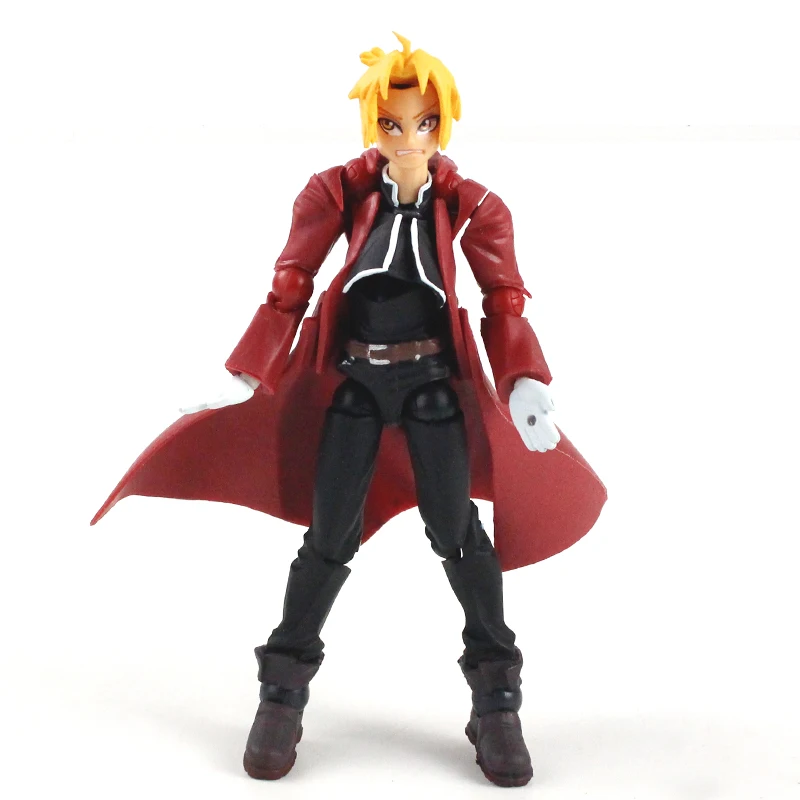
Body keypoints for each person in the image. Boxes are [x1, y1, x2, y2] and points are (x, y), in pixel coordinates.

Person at [93, 33, 606, 788]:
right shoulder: (335, 192)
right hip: (356, 387)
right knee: (329, 540)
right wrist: (247, 369)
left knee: (459, 536)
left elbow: (504, 298)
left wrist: (523, 380)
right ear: (372, 124)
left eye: (424, 122)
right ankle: (282, 693)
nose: (408, 138)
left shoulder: (473, 206)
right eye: (392, 123)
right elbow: (290, 284)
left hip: (432, 386)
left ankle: (496, 699)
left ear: (445, 123)